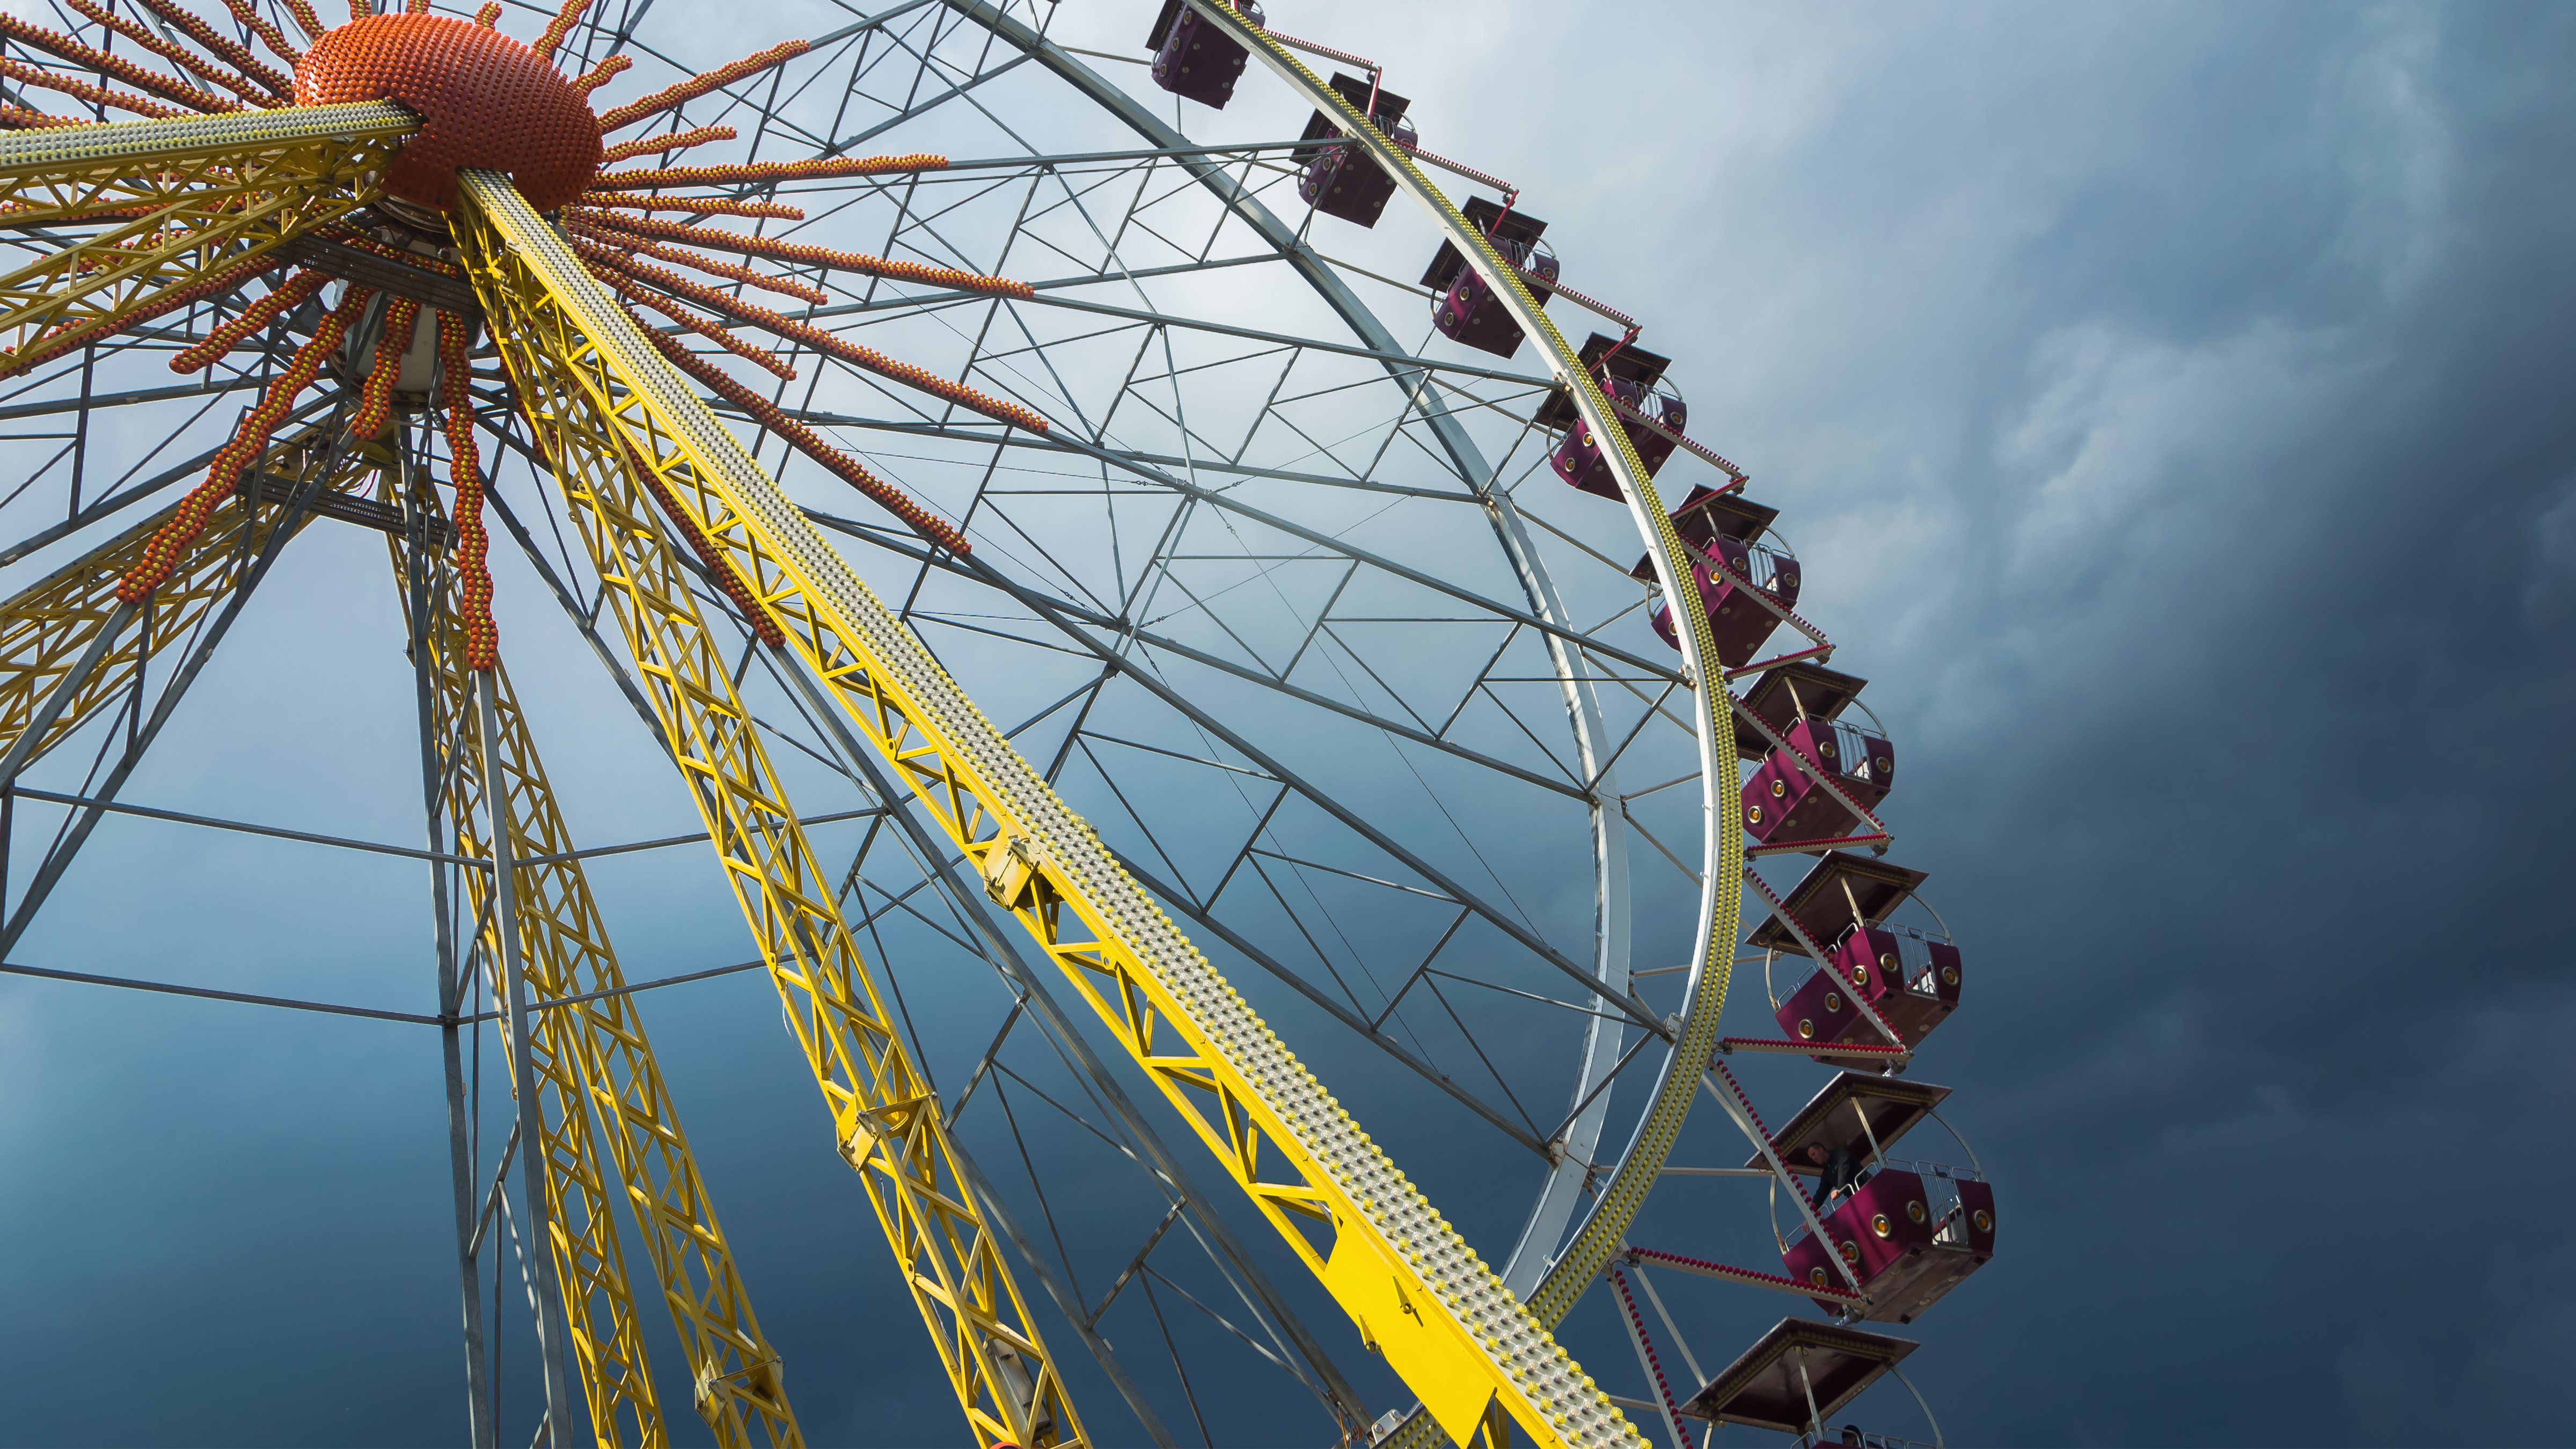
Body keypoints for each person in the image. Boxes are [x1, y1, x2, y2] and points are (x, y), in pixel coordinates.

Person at [1805, 1141, 1869, 1210]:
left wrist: (1839, 1189)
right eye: (1812, 1158)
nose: (1814, 1158)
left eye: (1814, 1154)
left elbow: (1843, 1170)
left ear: (1821, 1149)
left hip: (1869, 1187)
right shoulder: (1827, 1173)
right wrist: (1811, 1211)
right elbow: (1821, 1194)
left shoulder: (1840, 1154)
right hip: (1858, 1201)